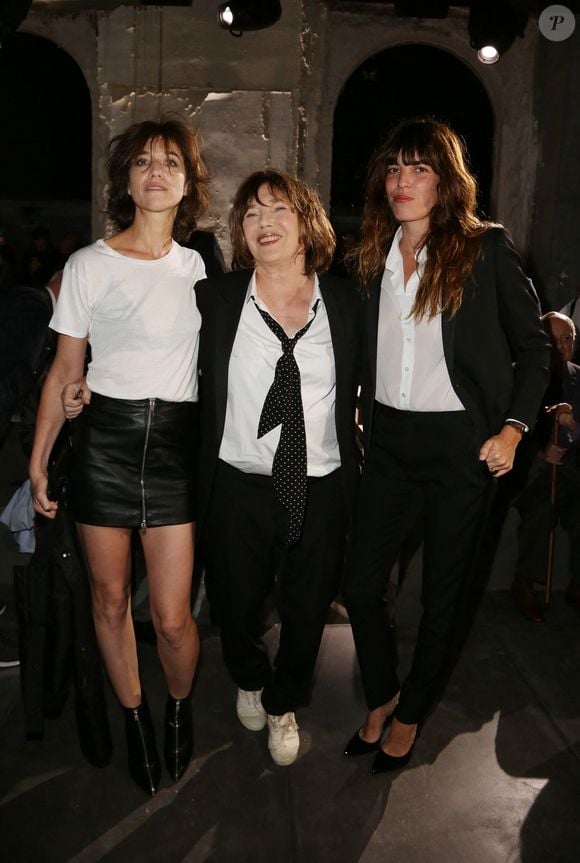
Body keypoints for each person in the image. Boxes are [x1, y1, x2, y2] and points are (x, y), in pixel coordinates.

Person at [341, 117, 550, 774]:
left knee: (443, 594)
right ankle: (382, 694)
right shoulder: (371, 256)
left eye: (419, 168)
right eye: (394, 169)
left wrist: (514, 428)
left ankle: (409, 713)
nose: (402, 182)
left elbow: (536, 345)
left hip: (463, 443)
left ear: (446, 180)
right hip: (390, 441)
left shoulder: (483, 248)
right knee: (360, 580)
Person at [28, 116, 209, 795]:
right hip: (102, 443)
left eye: (169, 162)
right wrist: (41, 457)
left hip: (173, 449)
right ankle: (134, 715)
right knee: (108, 600)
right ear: (125, 180)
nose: (155, 171)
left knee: (170, 616)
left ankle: (179, 705)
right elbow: (63, 369)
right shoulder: (88, 264)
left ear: (188, 183)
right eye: (141, 162)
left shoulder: (203, 266)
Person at [195, 169, 361, 767]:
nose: (264, 223)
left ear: (306, 222)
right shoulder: (215, 299)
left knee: (308, 604)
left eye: (279, 209)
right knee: (235, 603)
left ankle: (284, 700)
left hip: (321, 482)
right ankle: (248, 674)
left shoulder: (345, 301)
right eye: (251, 213)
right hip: (238, 481)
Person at [511, 312, 580, 622]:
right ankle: (523, 582)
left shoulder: (579, 377)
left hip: (573, 474)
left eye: (568, 339)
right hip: (532, 476)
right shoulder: (522, 375)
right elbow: (505, 427)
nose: (563, 346)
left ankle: (577, 584)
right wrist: (541, 451)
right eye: (556, 340)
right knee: (541, 510)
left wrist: (574, 424)